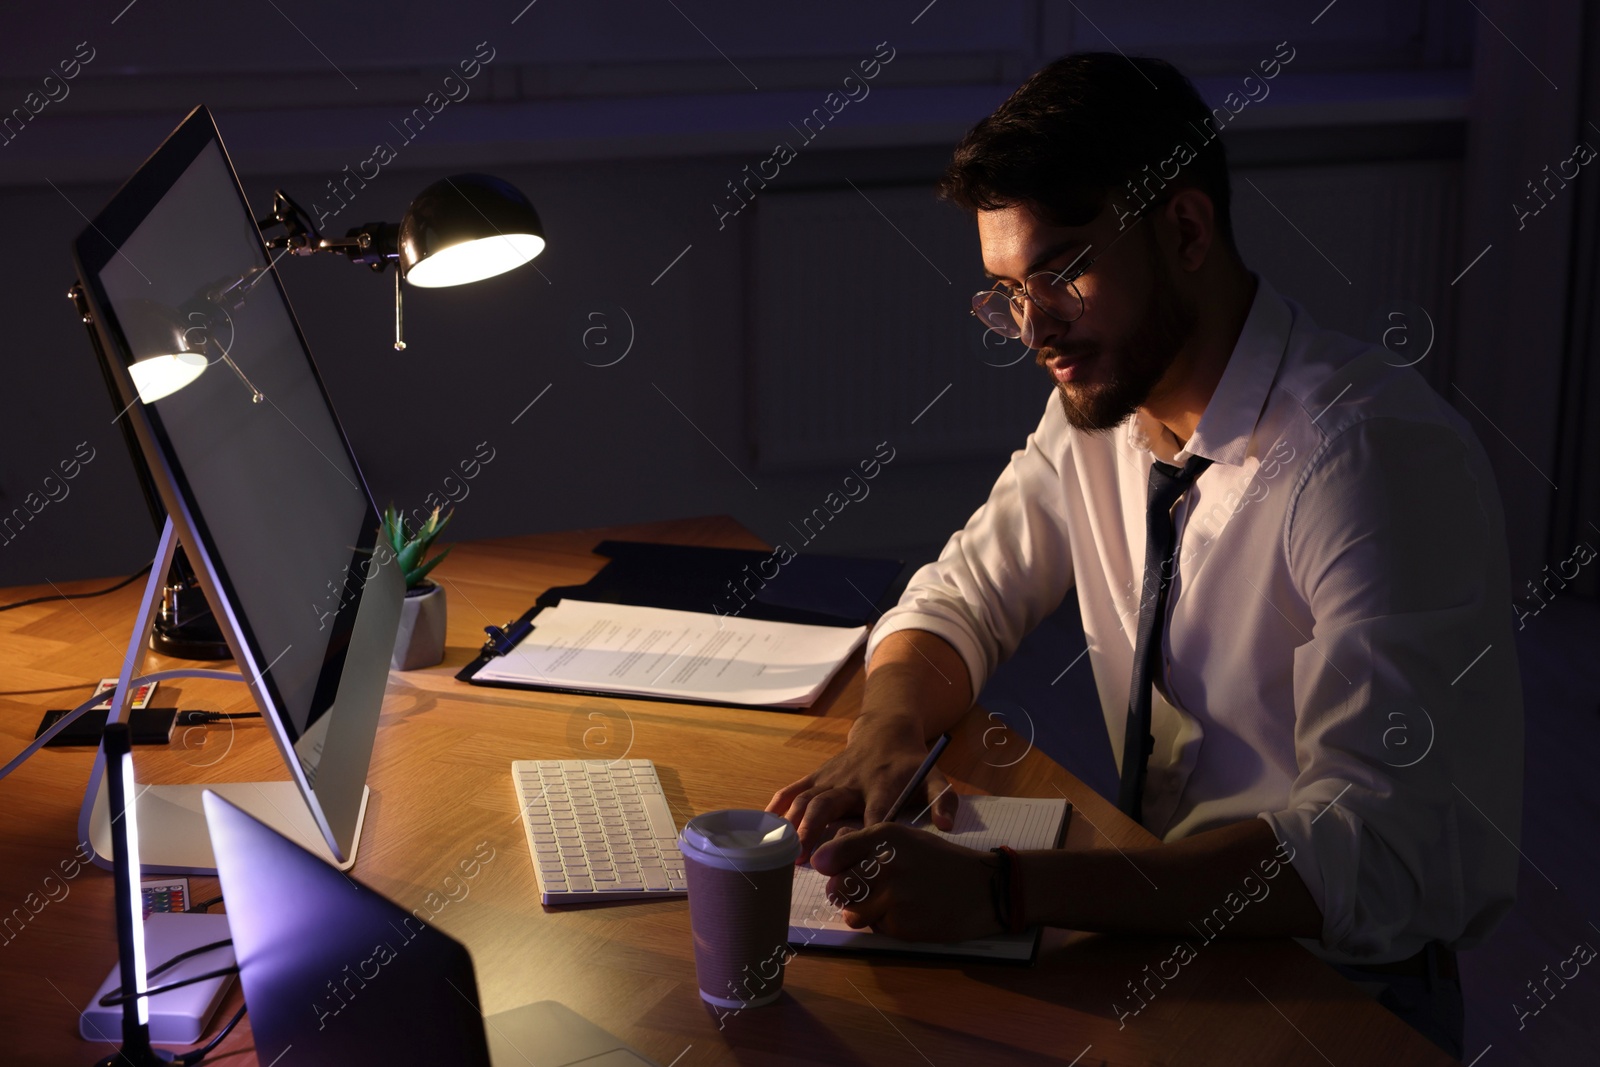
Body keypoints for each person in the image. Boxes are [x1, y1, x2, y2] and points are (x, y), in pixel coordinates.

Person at [766, 52, 1522, 1058]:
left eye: (1062, 269)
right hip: (1164, 928)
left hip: (1336, 988)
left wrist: (1003, 888)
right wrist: (888, 730)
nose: (1034, 327)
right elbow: (962, 595)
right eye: (1005, 292)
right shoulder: (1099, 410)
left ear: (1186, 229)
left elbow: (1370, 853)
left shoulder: (1367, 455)